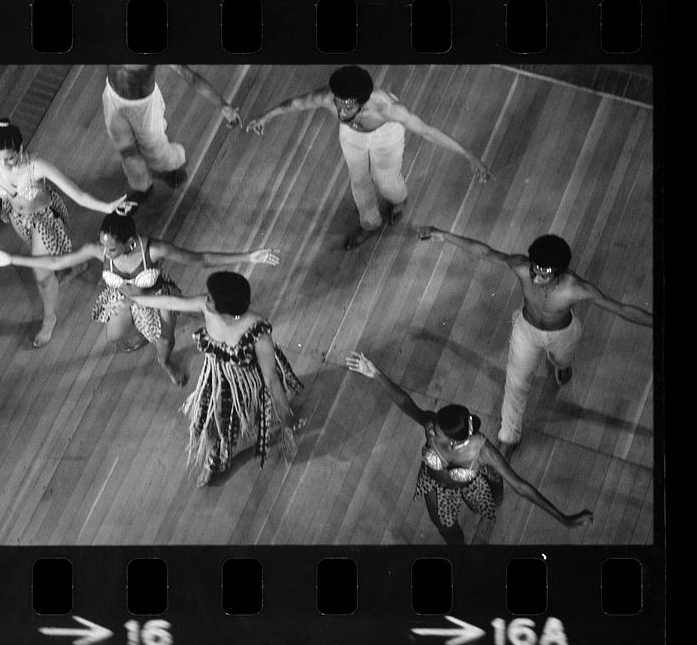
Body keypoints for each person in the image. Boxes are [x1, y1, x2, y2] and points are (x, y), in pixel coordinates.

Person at [419, 227, 654, 460]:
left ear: (560, 273)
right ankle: (508, 437)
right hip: (526, 332)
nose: (535, 278)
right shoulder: (522, 267)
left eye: (544, 275)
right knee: (515, 384)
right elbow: (484, 252)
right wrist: (445, 236)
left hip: (563, 334)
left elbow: (622, 310)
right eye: (534, 270)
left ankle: (560, 365)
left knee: (561, 361)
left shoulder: (576, 288)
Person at [0, 213, 280, 386]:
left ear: (130, 242)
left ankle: (165, 363)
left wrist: (249, 256)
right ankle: (139, 333)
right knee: (115, 337)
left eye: (110, 248)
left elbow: (201, 258)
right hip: (122, 298)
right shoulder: (99, 250)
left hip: (158, 298)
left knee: (164, 341)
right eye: (102, 245)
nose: (103, 252)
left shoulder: (155, 250)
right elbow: (56, 262)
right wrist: (10, 259)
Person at [346, 352, 593, 544]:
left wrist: (564, 518)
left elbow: (521, 486)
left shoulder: (484, 451)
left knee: (495, 498)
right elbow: (406, 404)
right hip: (436, 486)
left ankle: (492, 499)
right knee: (447, 531)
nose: (431, 430)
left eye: (438, 432)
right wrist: (376, 373)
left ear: (456, 441)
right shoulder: (434, 424)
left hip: (475, 481)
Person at [246, 65, 493, 250]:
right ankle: (370, 224)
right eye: (338, 104)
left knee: (386, 179)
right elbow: (295, 103)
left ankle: (399, 201)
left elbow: (428, 132)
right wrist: (265, 117)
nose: (340, 111)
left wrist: (469, 156)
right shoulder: (330, 99)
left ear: (363, 105)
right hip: (352, 137)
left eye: (348, 108)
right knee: (358, 181)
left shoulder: (387, 108)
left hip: (386, 137)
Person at [0, 117, 133, 347]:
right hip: (18, 219)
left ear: (20, 149)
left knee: (41, 276)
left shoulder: (36, 166)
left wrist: (107, 207)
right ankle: (76, 266)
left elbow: (78, 195)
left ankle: (49, 318)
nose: (4, 164)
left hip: (45, 220)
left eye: (9, 157)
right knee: (50, 264)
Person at [125, 271, 304, 486]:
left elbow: (271, 378)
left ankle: (277, 421)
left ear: (226, 306)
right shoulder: (205, 305)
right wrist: (137, 298)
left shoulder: (257, 329)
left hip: (248, 383)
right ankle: (217, 460)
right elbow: (172, 301)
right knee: (213, 423)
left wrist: (287, 418)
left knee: (252, 415)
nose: (204, 298)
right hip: (217, 377)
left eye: (210, 297)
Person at [103, 64, 242, 206]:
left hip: (144, 108)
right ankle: (142, 186)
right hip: (112, 99)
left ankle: (175, 164)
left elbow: (189, 75)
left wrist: (223, 105)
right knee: (126, 152)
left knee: (157, 154)